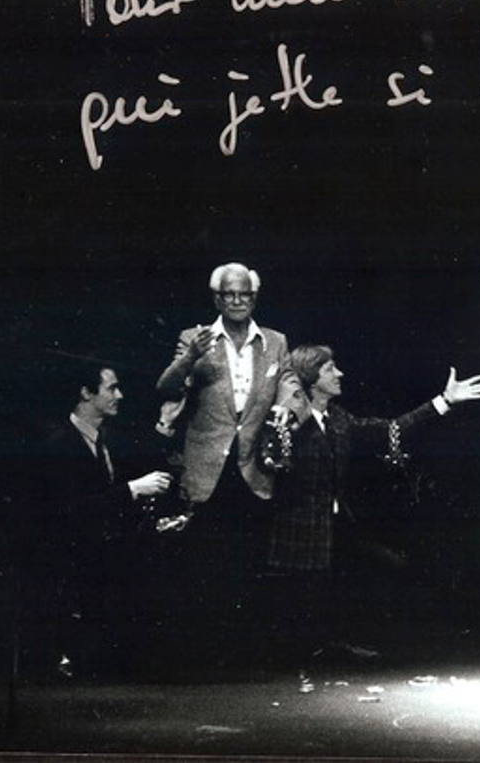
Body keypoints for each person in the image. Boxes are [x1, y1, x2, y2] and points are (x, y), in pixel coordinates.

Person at [260, 344, 480, 664]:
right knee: (301, 602)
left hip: (335, 528)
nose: (339, 373)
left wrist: (444, 401)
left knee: (383, 568)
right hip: (297, 531)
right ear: (311, 378)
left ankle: (336, 644)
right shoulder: (289, 421)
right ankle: (302, 653)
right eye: (329, 369)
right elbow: (270, 463)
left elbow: (388, 430)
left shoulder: (338, 419)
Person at [155, 262, 306, 660]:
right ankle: (200, 653)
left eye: (245, 295)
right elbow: (166, 387)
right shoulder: (194, 338)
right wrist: (190, 358)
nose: (237, 301)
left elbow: (291, 385)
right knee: (203, 561)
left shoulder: (274, 341)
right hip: (206, 468)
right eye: (229, 295)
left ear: (255, 298)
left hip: (253, 467)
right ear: (217, 299)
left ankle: (241, 654)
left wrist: (287, 407)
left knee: (247, 560)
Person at [26, 360, 172, 679]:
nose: (119, 396)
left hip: (103, 563)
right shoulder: (59, 445)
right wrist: (133, 489)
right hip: (72, 569)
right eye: (112, 388)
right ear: (86, 393)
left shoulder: (107, 440)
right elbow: (71, 510)